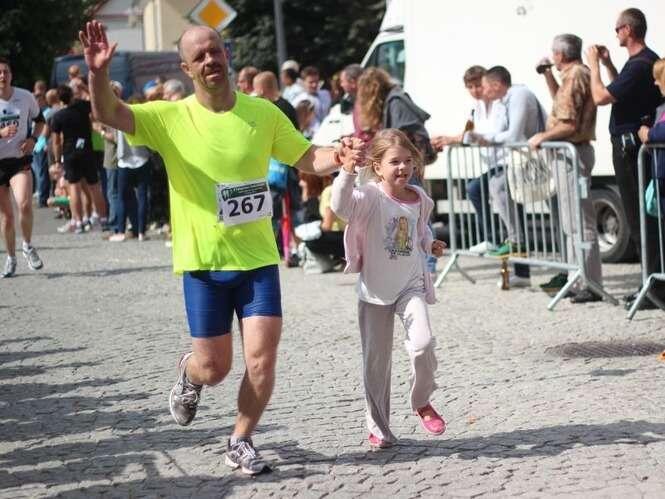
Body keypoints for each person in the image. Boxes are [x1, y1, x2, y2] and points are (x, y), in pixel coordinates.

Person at [80, 20, 361, 474]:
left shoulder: (262, 113)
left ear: (226, 54)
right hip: (204, 262)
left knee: (262, 360)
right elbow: (109, 113)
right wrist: (97, 73)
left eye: (215, 51)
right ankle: (189, 372)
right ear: (186, 68)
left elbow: (307, 155)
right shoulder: (169, 117)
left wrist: (339, 157)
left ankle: (240, 439)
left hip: (257, 259)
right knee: (215, 368)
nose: (210, 59)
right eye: (200, 56)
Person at [330, 128, 446, 449]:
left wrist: (430, 244)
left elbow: (420, 231)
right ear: (377, 167)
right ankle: (378, 427)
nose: (403, 167)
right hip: (375, 291)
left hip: (410, 286)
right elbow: (341, 206)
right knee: (376, 363)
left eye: (408, 161)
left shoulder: (420, 198)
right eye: (395, 162)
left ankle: (421, 401)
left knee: (423, 343)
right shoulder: (370, 196)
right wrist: (347, 171)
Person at [586, 7, 665, 310]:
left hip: (630, 151)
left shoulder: (640, 63)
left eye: (617, 28)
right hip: (634, 148)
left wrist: (593, 65)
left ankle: (654, 288)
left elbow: (601, 97)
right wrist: (608, 63)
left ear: (628, 30)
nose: (615, 33)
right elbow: (623, 91)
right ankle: (651, 282)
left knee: (639, 220)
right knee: (642, 219)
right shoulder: (643, 62)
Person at [529, 34, 604, 304]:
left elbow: (569, 123)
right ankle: (578, 278)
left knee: (579, 223)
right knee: (572, 223)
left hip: (573, 154)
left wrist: (542, 137)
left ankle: (590, 283)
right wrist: (548, 75)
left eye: (554, 52)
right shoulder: (572, 75)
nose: (552, 56)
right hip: (570, 154)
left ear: (560, 54)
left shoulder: (576, 75)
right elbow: (562, 105)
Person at [473, 66, 547, 287]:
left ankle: (514, 242)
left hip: (536, 159)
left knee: (496, 187)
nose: (483, 91)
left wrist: (488, 138)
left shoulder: (518, 95)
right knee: (495, 188)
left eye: (485, 86)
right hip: (522, 159)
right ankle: (515, 247)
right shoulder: (506, 100)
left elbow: (513, 135)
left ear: (496, 85)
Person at [430, 65, 507, 252]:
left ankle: (494, 239)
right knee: (478, 191)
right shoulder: (475, 108)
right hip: (493, 163)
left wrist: (452, 139)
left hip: (506, 161)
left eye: (478, 85)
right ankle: (498, 241)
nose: (475, 91)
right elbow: (468, 133)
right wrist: (447, 140)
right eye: (470, 87)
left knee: (475, 189)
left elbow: (485, 134)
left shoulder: (499, 105)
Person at [0, 57, 45, 278]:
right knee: (7, 217)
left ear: (11, 75)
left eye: (6, 71)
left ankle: (27, 246)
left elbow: (41, 121)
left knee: (25, 204)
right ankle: (11, 257)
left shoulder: (25, 96)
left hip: (19, 160)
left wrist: (33, 140)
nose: (2, 76)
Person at [50, 84, 108, 234]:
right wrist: (85, 89)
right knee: (95, 187)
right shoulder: (82, 107)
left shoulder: (57, 116)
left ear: (59, 99)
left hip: (70, 153)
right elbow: (94, 102)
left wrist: (57, 161)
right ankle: (103, 219)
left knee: (74, 188)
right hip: (87, 151)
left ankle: (79, 221)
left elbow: (56, 142)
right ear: (71, 95)